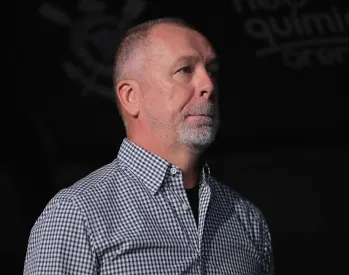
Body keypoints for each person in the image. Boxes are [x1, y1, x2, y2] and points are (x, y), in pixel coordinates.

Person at [23, 17, 274, 274]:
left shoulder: (247, 220)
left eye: (212, 71)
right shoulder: (77, 214)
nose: (208, 85)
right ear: (131, 97)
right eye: (185, 70)